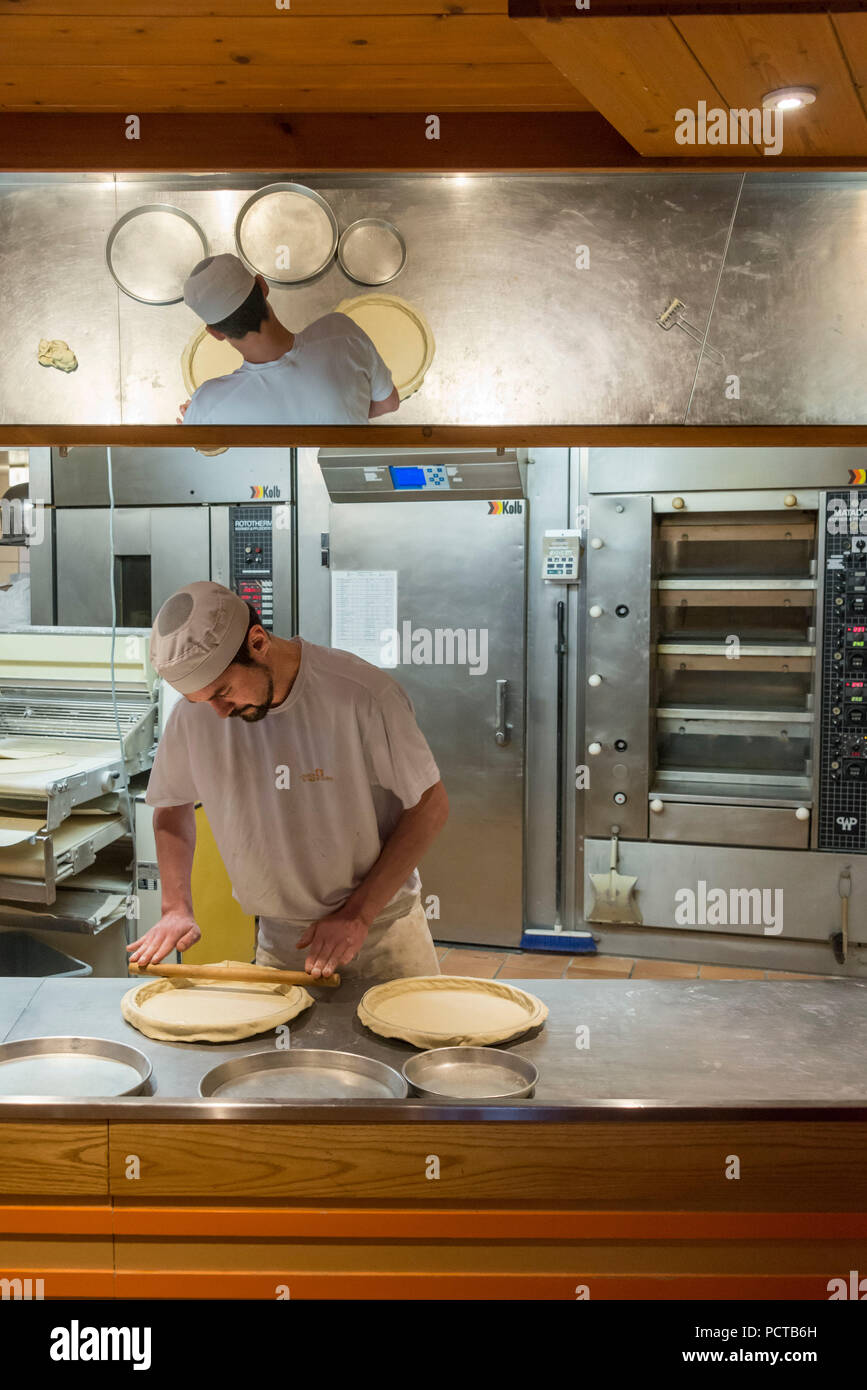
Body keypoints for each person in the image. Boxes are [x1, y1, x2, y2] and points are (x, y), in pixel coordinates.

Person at [130, 582, 448, 981]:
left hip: (383, 934)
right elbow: (171, 806)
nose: (219, 712)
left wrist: (357, 914)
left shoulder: (362, 695)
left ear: (258, 642)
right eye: (201, 700)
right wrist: (175, 907)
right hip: (282, 943)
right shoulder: (195, 715)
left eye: (224, 692)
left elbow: (431, 807)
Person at [178, 253, 400, 425]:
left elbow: (201, 452)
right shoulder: (341, 332)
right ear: (263, 286)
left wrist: (199, 417)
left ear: (215, 333)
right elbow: (389, 403)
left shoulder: (209, 406)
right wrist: (340, 408)